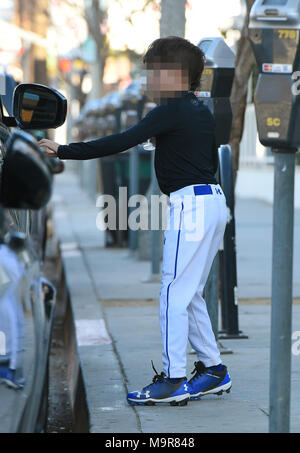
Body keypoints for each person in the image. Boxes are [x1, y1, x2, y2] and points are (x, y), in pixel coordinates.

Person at [38, 36, 232, 406]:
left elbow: (120, 141)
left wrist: (63, 150)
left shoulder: (169, 110)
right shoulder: (197, 109)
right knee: (189, 293)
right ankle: (213, 370)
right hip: (212, 202)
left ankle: (174, 380)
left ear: (174, 75)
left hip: (190, 206)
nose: (147, 81)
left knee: (172, 292)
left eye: (152, 73)